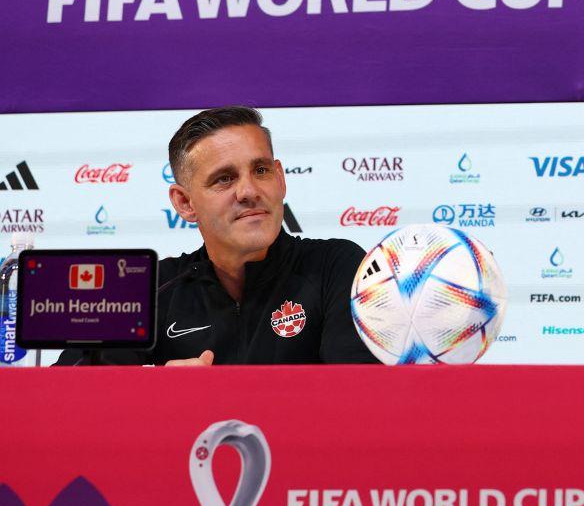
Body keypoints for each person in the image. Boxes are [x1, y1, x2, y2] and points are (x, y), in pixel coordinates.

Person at [57, 107, 378, 366]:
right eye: (224, 179)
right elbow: (66, 397)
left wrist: (215, 399)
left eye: (261, 170)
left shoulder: (336, 266)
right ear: (184, 203)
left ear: (280, 179)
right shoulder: (147, 288)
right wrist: (153, 395)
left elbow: (359, 397)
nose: (249, 191)